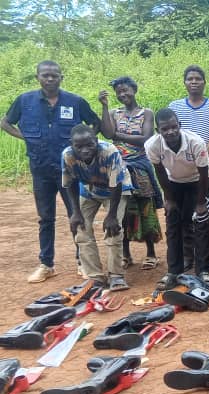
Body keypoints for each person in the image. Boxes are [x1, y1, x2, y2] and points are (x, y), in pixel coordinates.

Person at [1, 60, 100, 283]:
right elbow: (6, 122)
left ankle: (82, 262)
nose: (50, 79)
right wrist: (24, 137)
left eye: (54, 75)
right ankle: (47, 264)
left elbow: (95, 122)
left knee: (76, 214)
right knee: (45, 218)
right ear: (37, 77)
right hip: (40, 169)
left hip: (70, 170)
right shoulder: (25, 101)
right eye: (45, 75)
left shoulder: (74, 101)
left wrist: (85, 146)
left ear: (61, 77)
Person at [98, 76, 162, 272]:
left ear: (134, 90)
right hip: (118, 168)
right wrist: (104, 106)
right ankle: (126, 254)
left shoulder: (146, 113)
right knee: (121, 210)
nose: (123, 94)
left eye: (126, 90)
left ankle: (151, 253)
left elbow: (146, 139)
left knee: (146, 209)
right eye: (119, 92)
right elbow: (107, 133)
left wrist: (118, 135)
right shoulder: (113, 113)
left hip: (140, 167)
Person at [145, 109, 209, 289]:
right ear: (158, 129)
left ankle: (203, 272)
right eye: (165, 129)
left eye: (174, 127)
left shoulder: (195, 142)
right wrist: (169, 198)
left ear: (180, 126)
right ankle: (173, 272)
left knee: (200, 223)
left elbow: (203, 172)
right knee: (173, 223)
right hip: (174, 182)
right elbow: (159, 171)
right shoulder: (152, 145)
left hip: (200, 181)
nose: (170, 132)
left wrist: (200, 203)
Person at [169, 65, 209, 272]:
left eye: (198, 78)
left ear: (204, 82)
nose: (194, 82)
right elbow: (172, 135)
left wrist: (201, 158)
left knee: (207, 212)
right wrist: (189, 161)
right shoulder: (175, 107)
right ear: (184, 82)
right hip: (182, 167)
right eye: (190, 79)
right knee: (185, 213)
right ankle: (188, 257)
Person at [62, 125, 133, 291]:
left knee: (114, 230)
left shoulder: (109, 152)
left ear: (96, 141)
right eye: (79, 147)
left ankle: (116, 275)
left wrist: (112, 215)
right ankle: (95, 278)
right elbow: (69, 184)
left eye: (89, 145)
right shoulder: (67, 155)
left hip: (116, 190)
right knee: (81, 229)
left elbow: (116, 185)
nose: (85, 150)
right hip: (89, 190)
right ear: (71, 144)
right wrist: (76, 212)